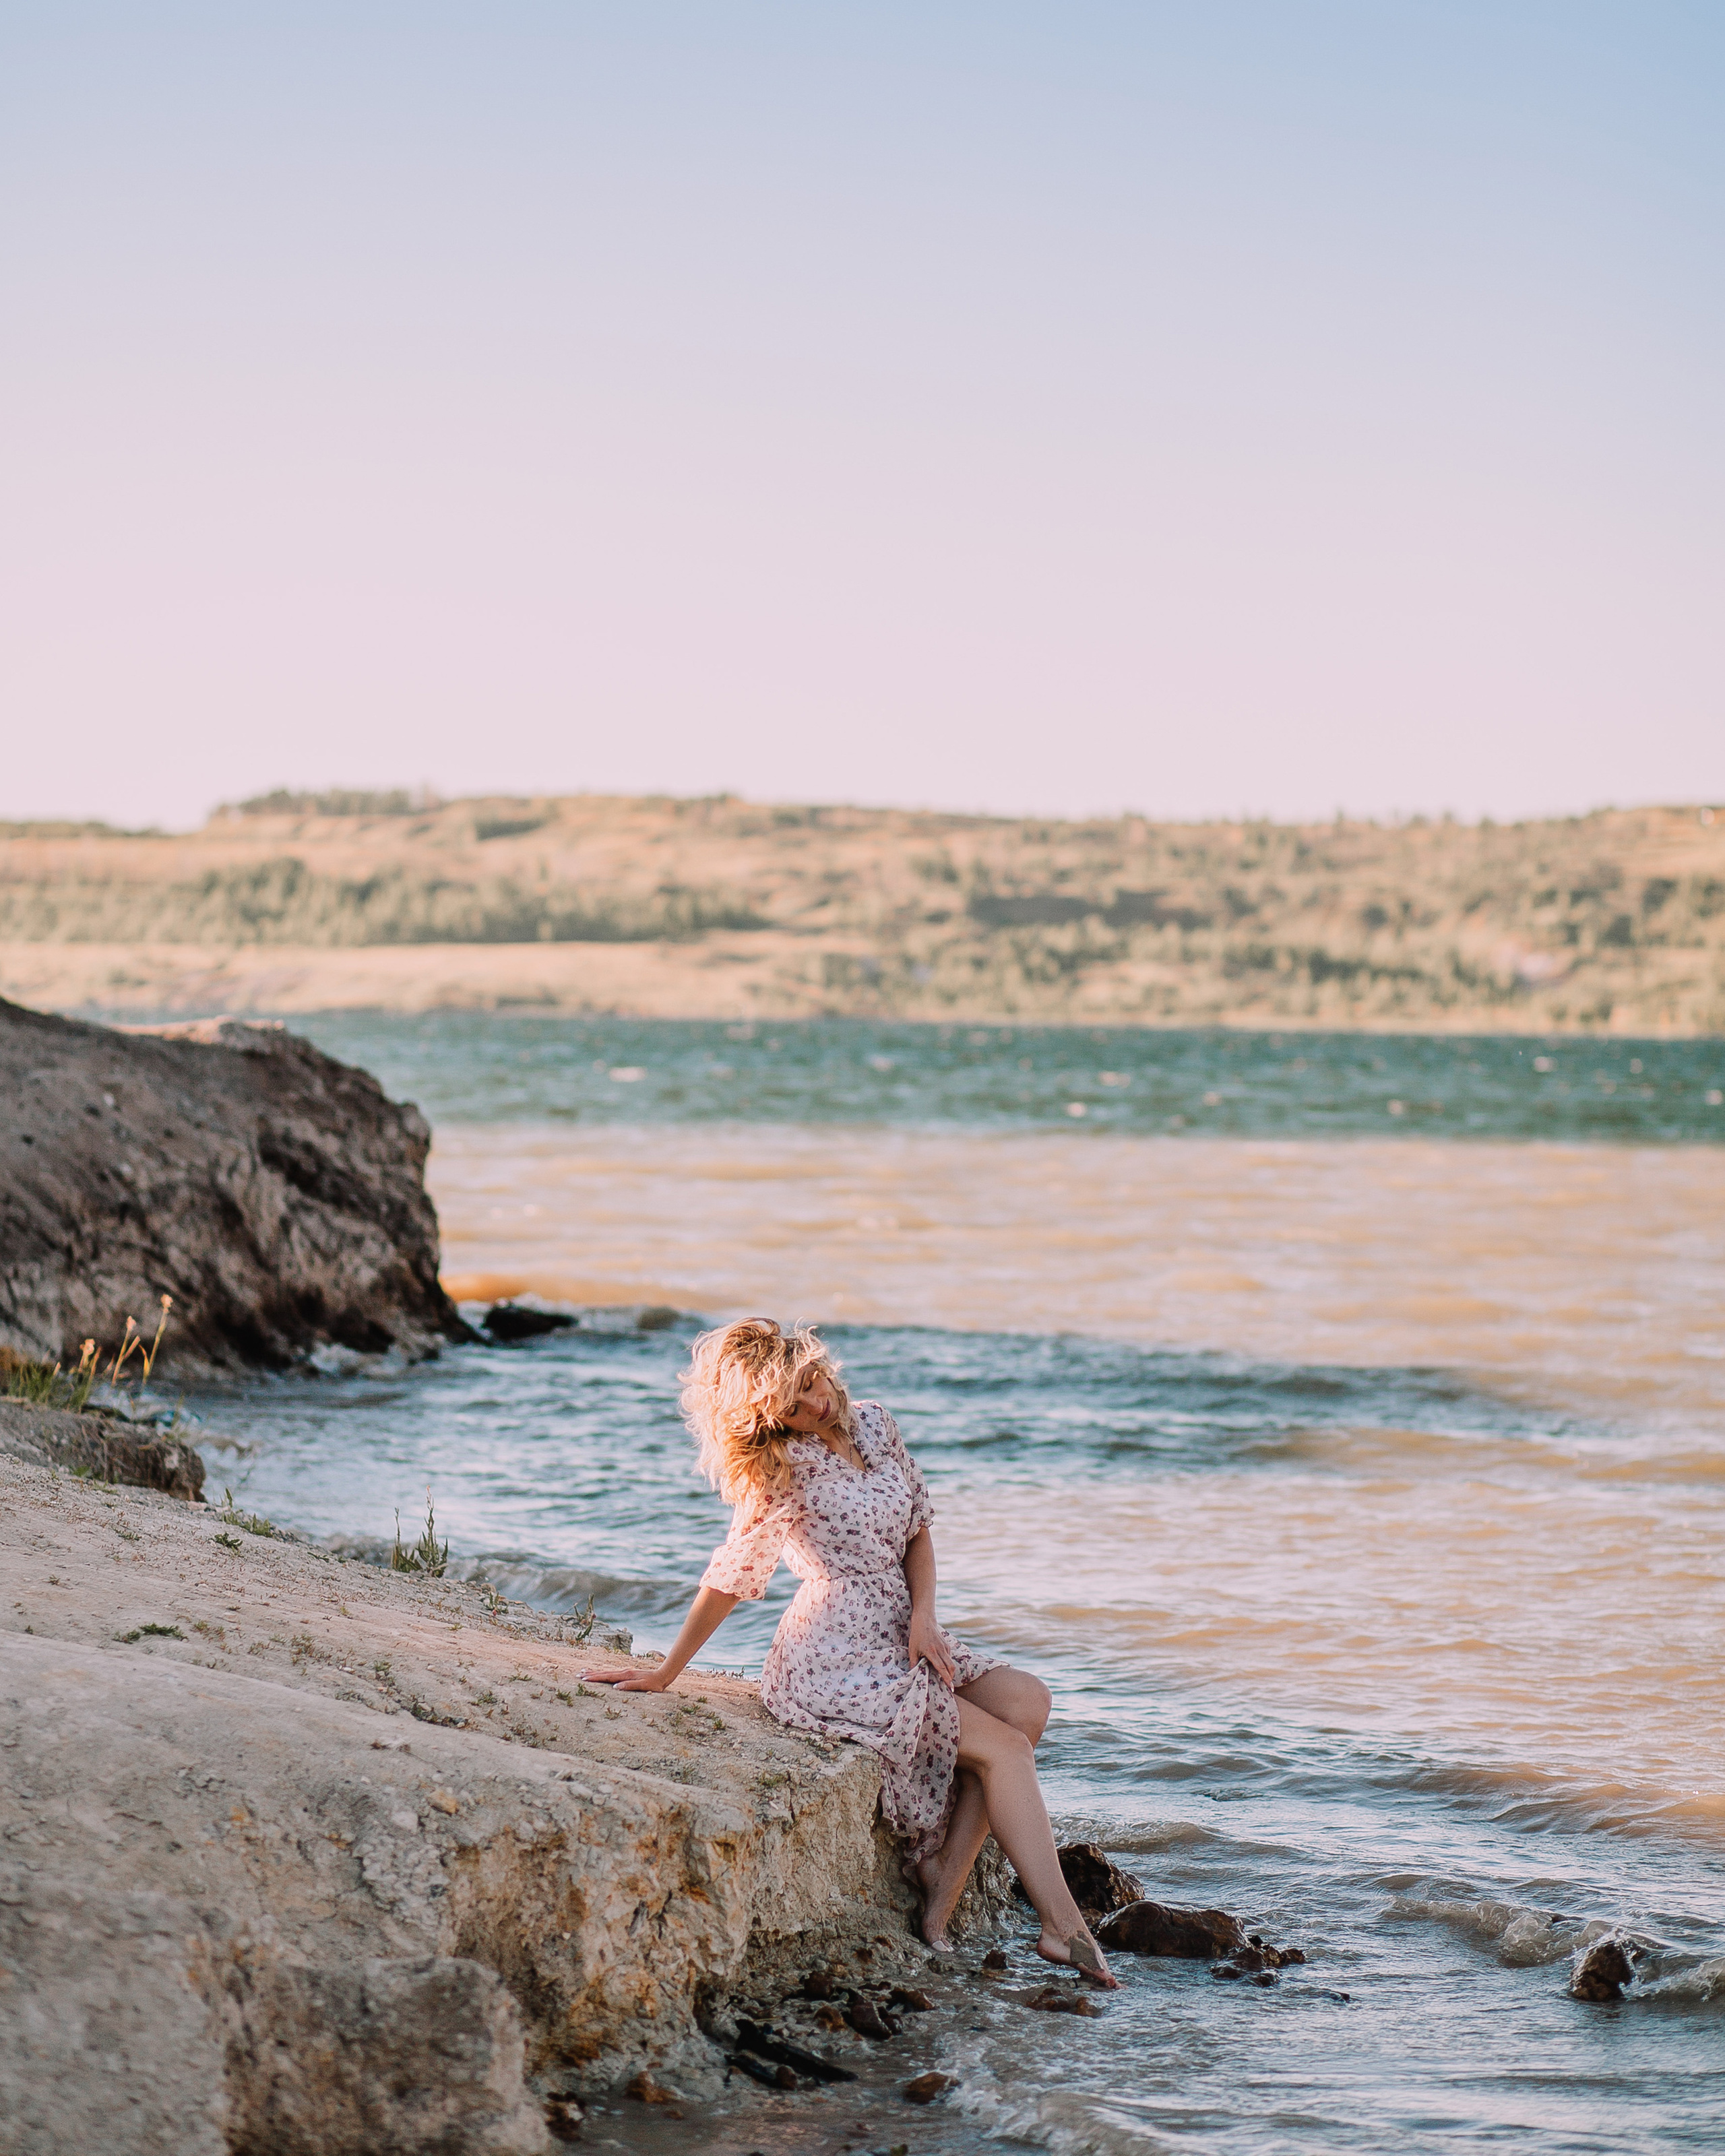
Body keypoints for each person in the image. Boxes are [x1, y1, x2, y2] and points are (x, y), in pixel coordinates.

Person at [583, 1318, 1116, 1984]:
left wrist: (924, 1617)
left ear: (815, 1362)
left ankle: (942, 1878)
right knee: (1004, 1747)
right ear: (766, 1416)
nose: (813, 1403)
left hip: (904, 1624)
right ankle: (1063, 1928)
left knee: (1027, 1701)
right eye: (791, 1404)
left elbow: (917, 1527)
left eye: (809, 1381)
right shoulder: (777, 1465)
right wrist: (666, 1670)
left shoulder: (873, 1423)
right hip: (834, 1652)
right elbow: (729, 1576)